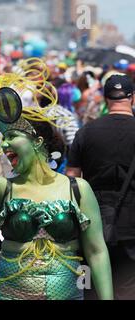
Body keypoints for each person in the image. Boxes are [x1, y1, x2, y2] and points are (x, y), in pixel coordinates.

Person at [0, 59, 113, 300]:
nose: (5, 144)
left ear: (37, 141)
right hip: (9, 293)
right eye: (3, 137)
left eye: (12, 136)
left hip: (65, 294)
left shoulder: (77, 189)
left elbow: (97, 251)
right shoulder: (5, 188)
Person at [66, 74, 135, 299]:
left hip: (93, 225)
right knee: (128, 290)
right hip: (132, 227)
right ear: (132, 98)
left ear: (106, 99)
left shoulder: (86, 131)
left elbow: (72, 179)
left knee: (92, 289)